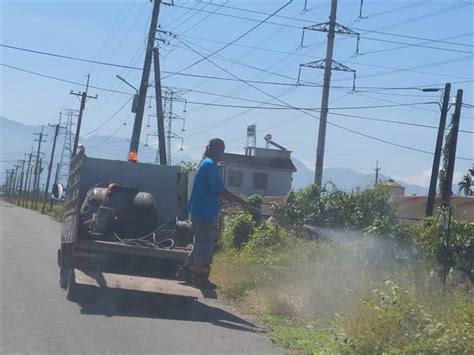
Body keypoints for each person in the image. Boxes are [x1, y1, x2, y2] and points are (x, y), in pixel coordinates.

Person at [178, 138, 251, 288]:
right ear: (216, 150)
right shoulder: (210, 167)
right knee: (203, 247)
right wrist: (242, 202)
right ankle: (199, 278)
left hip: (199, 210)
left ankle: (185, 271)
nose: (222, 154)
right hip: (205, 212)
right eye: (221, 150)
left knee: (199, 244)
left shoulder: (205, 164)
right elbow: (220, 190)